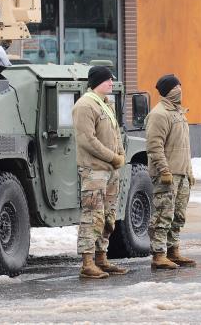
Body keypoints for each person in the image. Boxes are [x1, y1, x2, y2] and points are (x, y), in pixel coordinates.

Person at [72, 65, 128, 279]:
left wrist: (120, 155)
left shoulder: (106, 105)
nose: (111, 83)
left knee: (107, 216)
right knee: (92, 216)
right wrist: (112, 157)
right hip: (95, 170)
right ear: (96, 82)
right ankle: (87, 263)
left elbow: (115, 133)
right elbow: (87, 140)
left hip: (110, 170)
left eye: (112, 80)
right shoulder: (85, 105)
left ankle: (101, 258)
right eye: (107, 80)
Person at [145, 74, 197, 269]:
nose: (180, 90)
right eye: (176, 87)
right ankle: (159, 254)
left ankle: (173, 250)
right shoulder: (159, 114)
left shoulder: (179, 113)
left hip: (182, 174)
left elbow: (185, 147)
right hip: (167, 175)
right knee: (163, 214)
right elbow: (154, 146)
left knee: (178, 215)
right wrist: (164, 170)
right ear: (168, 91)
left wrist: (189, 172)